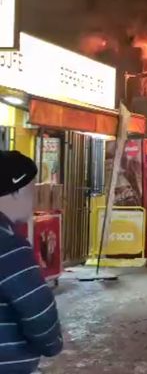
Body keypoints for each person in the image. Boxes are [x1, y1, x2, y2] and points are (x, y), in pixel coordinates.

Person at [0, 150, 63, 372]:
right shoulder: (9, 246)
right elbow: (37, 309)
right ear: (15, 192)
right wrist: (52, 344)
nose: (34, 200)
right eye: (30, 191)